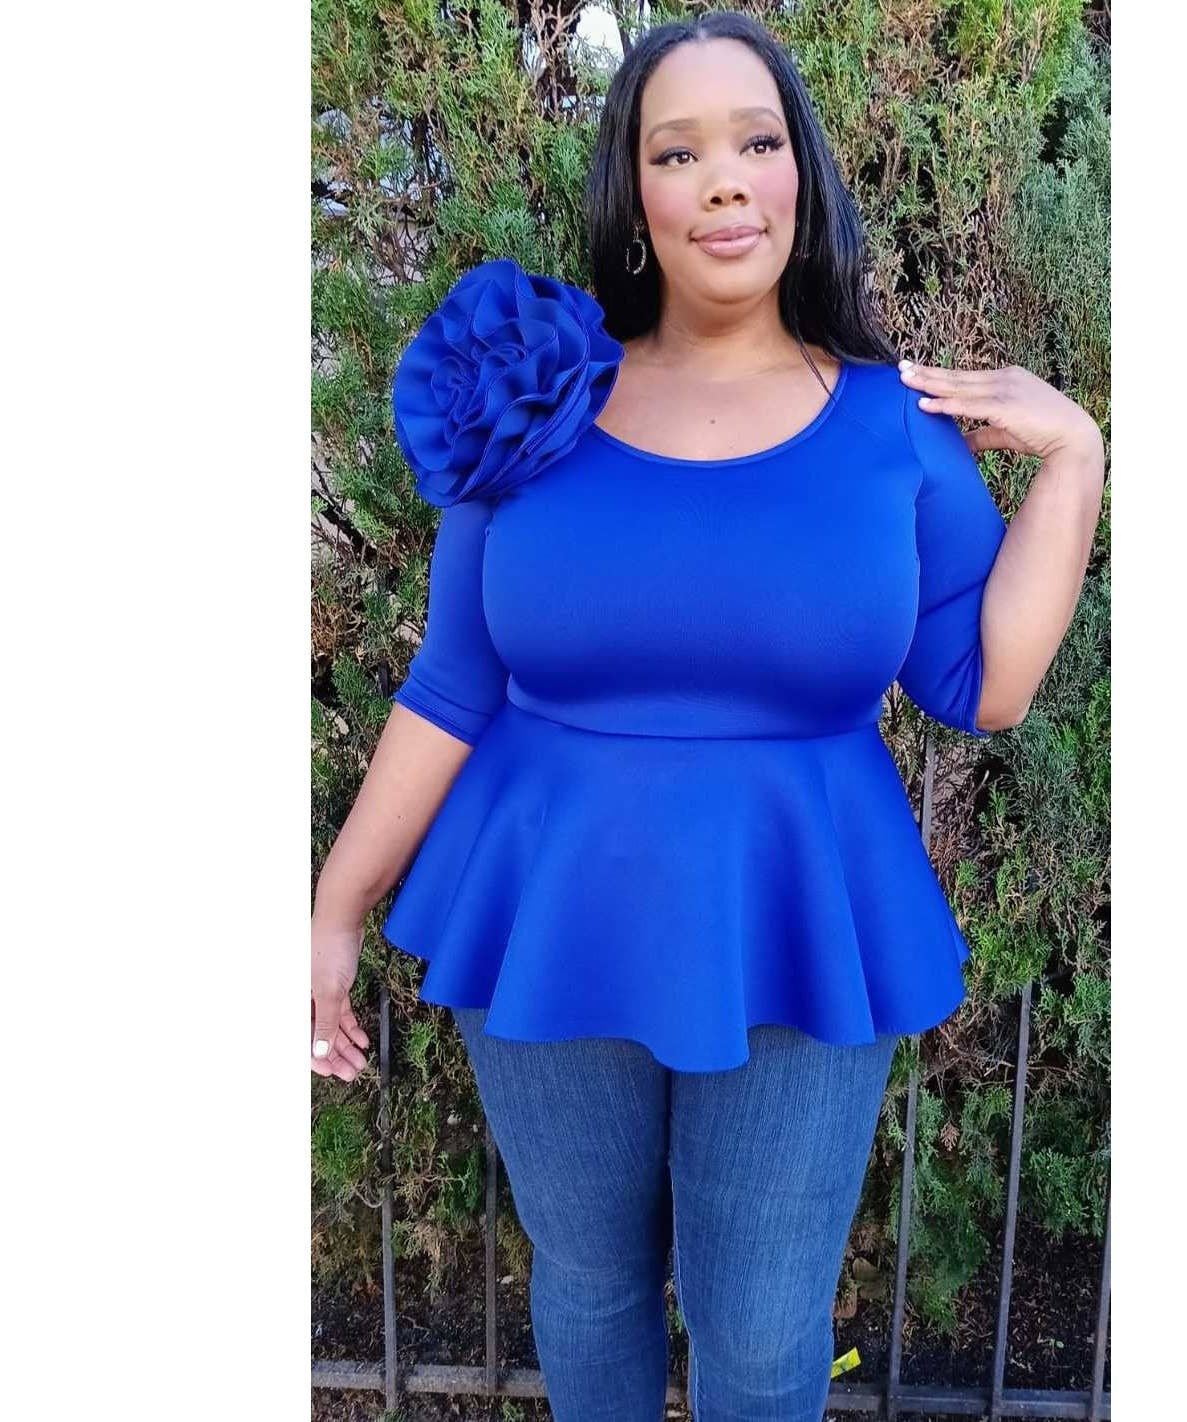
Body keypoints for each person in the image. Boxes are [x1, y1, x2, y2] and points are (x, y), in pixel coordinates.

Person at [311, 11, 1105, 1420]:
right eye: (677, 151)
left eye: (755, 140)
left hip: (799, 917)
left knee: (762, 1330)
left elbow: (985, 685)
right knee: (587, 1284)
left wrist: (1075, 461)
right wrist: (331, 911)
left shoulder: (896, 430)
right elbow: (452, 686)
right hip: (548, 906)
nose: (723, 178)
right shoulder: (532, 412)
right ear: (636, 195)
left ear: (801, 174)